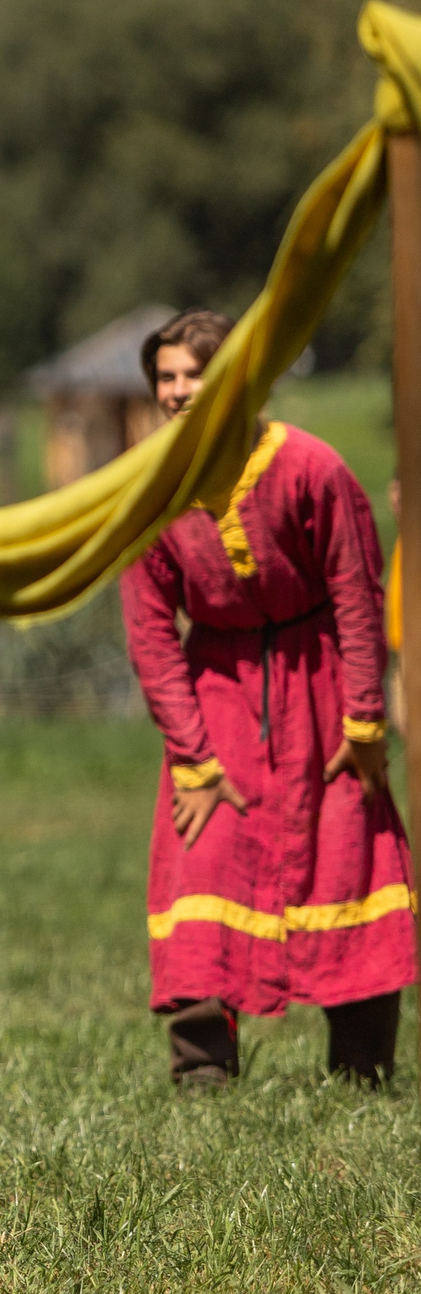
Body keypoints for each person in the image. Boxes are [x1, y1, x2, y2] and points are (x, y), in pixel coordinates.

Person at [121, 308, 414, 1087]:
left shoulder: (312, 467)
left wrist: (364, 721)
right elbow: (150, 631)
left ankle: (362, 1070)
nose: (178, 390)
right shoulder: (149, 489)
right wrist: (192, 755)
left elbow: (358, 593)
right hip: (216, 693)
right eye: (166, 377)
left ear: (237, 379)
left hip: (321, 686)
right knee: (203, 862)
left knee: (346, 858)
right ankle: (203, 1072)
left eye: (195, 373)